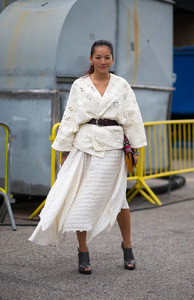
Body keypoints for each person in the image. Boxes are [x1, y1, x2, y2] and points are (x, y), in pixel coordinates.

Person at [29, 40, 147, 275]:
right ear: (91, 59)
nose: (103, 61)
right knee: (81, 199)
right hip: (84, 146)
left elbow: (132, 116)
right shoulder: (79, 86)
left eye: (107, 57)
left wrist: (136, 147)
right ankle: (83, 251)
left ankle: (127, 246)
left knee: (119, 198)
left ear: (112, 59)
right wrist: (64, 149)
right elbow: (70, 117)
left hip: (113, 148)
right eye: (98, 57)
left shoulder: (122, 85)